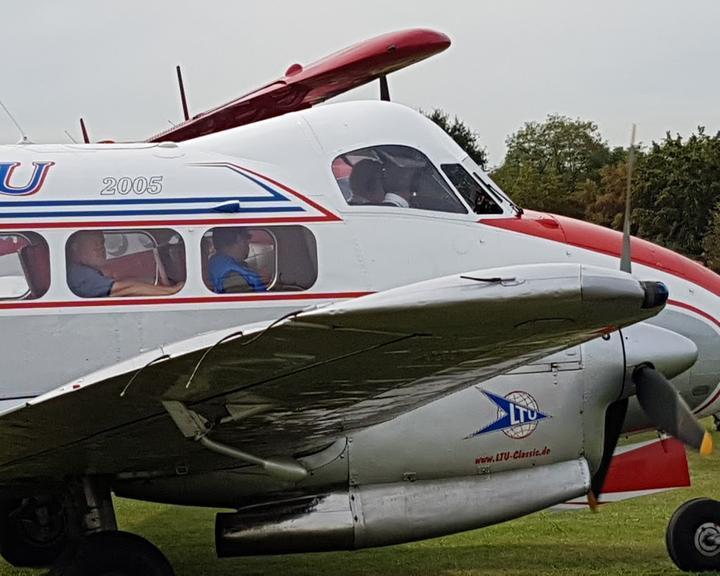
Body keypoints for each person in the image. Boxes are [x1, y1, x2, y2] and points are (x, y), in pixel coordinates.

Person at [67, 230, 182, 298]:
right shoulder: (79, 274)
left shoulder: (86, 272)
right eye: (94, 244)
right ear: (75, 247)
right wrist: (172, 291)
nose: (100, 248)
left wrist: (153, 282)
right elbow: (123, 288)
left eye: (101, 243)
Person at [208, 228, 267, 293]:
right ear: (239, 239)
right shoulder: (234, 276)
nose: (249, 243)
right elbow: (245, 301)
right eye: (247, 237)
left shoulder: (218, 262)